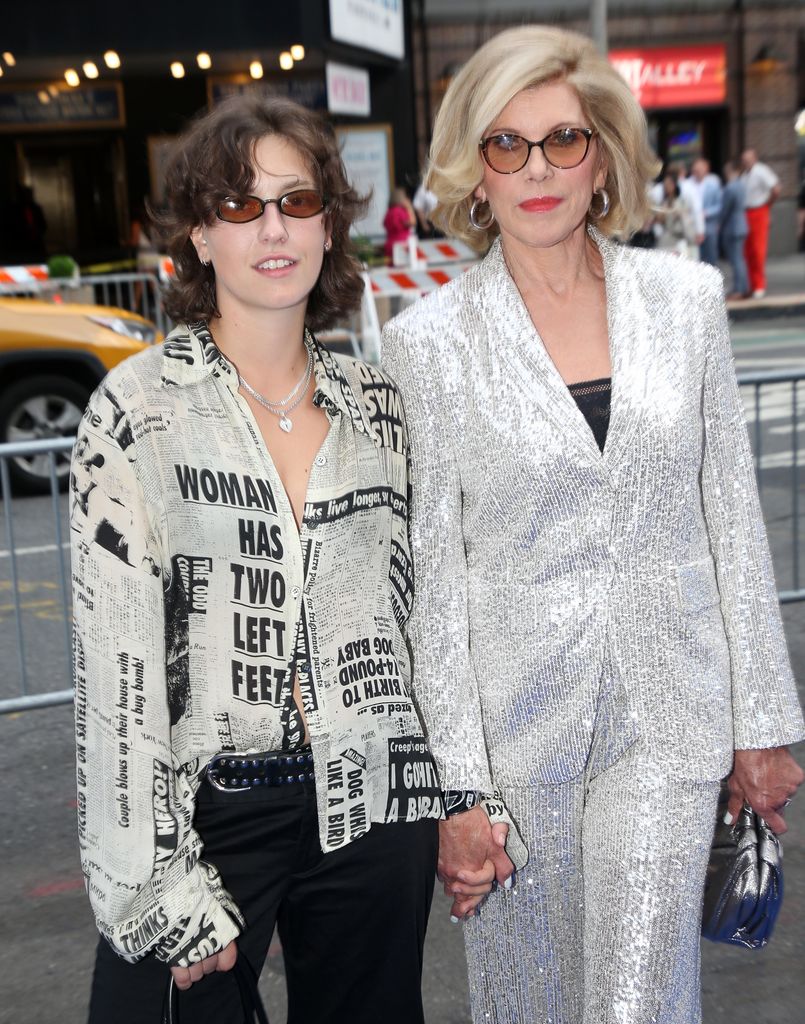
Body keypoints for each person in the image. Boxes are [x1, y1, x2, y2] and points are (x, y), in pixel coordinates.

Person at [381, 24, 805, 1024]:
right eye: (506, 144)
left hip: (669, 715)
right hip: (514, 732)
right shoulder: (429, 345)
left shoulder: (686, 301)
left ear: (603, 155)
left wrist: (765, 723)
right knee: (524, 1000)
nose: (537, 169)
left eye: (562, 139)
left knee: (636, 998)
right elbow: (433, 587)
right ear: (473, 171)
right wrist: (457, 789)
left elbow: (730, 523)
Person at [71, 94, 441, 1024]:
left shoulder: (381, 405)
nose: (271, 228)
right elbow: (115, 678)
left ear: (328, 228)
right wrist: (156, 884)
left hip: (372, 807)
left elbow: (425, 619)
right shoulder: (138, 412)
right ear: (198, 236)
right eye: (238, 207)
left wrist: (458, 793)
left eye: (296, 201)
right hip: (207, 811)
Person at [741, 147, 781, 298]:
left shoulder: (761, 171)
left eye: (748, 159)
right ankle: (752, 284)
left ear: (755, 158)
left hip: (759, 210)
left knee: (758, 250)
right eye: (744, 160)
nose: (746, 162)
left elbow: (776, 188)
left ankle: (759, 284)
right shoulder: (744, 175)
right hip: (746, 212)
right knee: (748, 251)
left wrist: (767, 204)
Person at [719, 159, 749, 299]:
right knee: (740, 259)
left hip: (732, 226)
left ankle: (739, 289)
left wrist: (720, 223)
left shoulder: (730, 187)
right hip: (742, 224)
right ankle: (744, 287)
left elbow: (725, 209)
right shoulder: (742, 185)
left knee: (736, 260)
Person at [654, 170, 698, 256]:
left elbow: (687, 219)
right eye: (665, 185)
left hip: (680, 239)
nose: (667, 187)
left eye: (669, 184)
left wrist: (680, 214)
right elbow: (660, 221)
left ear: (674, 185)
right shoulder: (663, 203)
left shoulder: (681, 202)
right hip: (666, 240)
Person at [690, 157, 722, 265]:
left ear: (706, 170)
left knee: (711, 257)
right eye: (695, 170)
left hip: (709, 227)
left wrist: (706, 213)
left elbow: (719, 205)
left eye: (699, 170)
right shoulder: (688, 184)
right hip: (693, 227)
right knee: (696, 260)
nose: (697, 173)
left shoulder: (714, 184)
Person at [383, 185, 416, 262]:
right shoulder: (400, 211)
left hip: (390, 244)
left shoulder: (389, 212)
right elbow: (412, 222)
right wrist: (409, 208)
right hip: (402, 245)